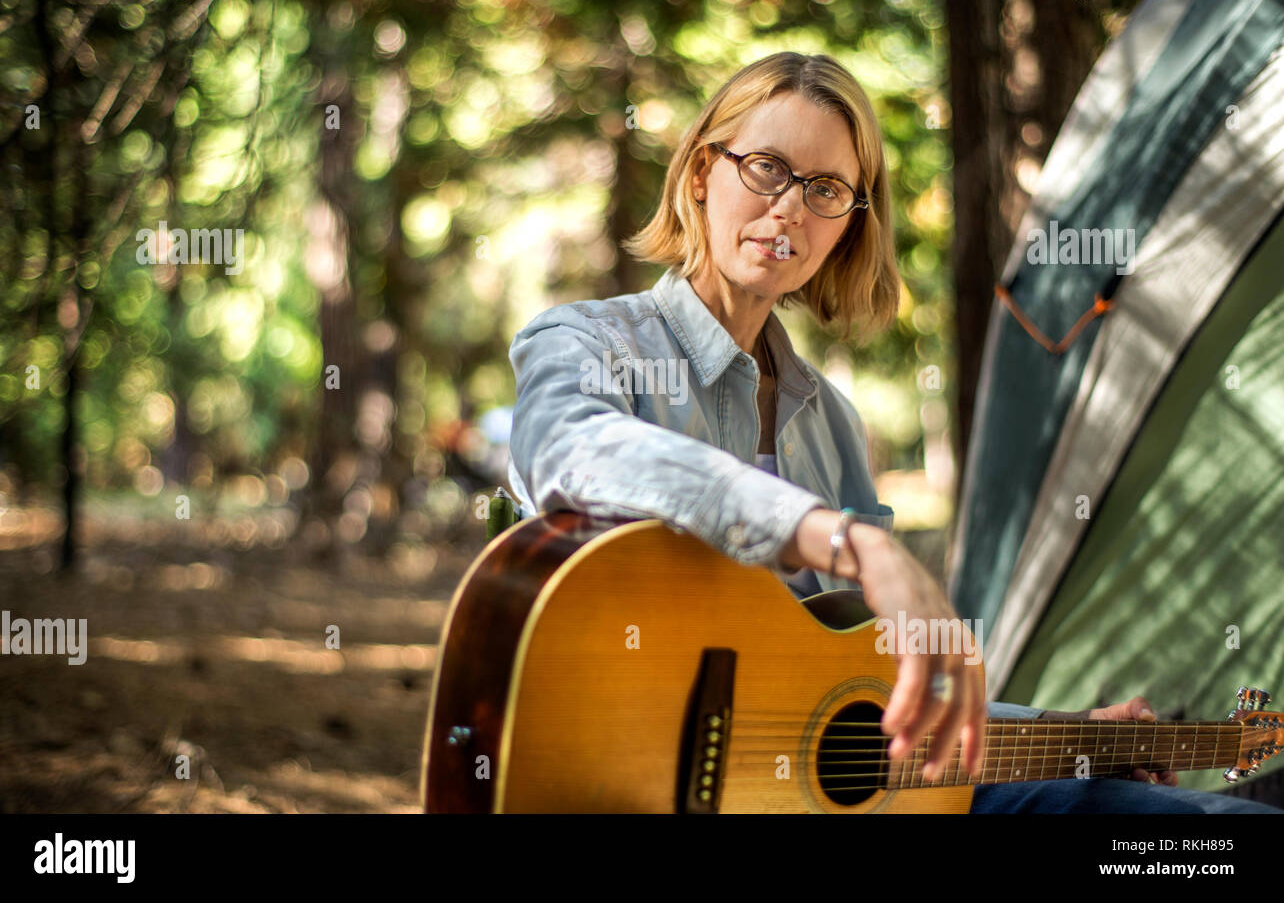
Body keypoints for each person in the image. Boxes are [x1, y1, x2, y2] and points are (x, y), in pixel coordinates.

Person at [505, 52, 1278, 813]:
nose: (791, 209)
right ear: (703, 173)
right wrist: (844, 540)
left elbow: (858, 699)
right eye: (767, 168)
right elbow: (569, 450)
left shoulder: (833, 424)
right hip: (621, 783)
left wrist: (1072, 736)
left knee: (1205, 830)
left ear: (848, 223)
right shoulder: (589, 342)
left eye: (827, 190)